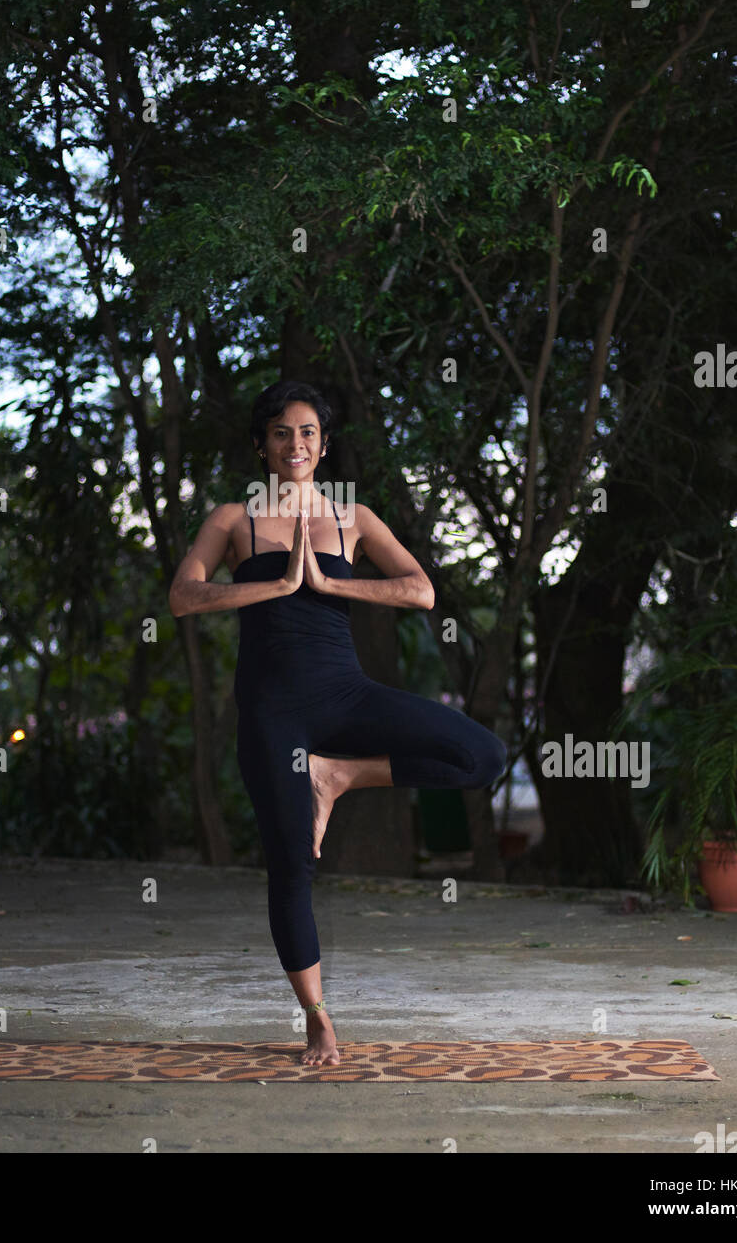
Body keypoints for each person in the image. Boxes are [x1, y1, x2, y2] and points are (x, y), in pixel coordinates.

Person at [168, 380, 507, 1067]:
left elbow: (418, 589)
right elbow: (182, 596)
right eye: (281, 433)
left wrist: (328, 585)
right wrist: (274, 585)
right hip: (271, 711)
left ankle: (341, 773)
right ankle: (317, 1018)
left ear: (323, 445)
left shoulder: (352, 517)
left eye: (308, 433)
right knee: (291, 863)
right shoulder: (233, 518)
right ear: (261, 444)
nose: (295, 444)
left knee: (481, 756)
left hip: (344, 693)